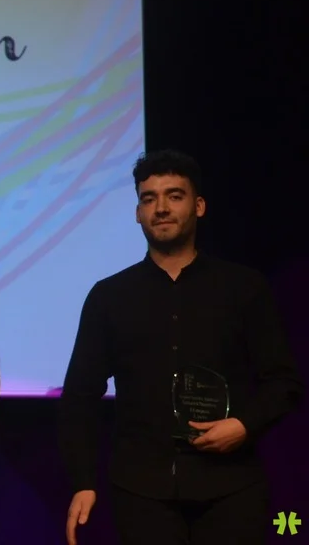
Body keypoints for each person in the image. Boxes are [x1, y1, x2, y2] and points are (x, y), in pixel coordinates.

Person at [59, 149, 302, 545]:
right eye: (149, 198)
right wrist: (83, 482)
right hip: (141, 489)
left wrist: (244, 426)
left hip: (232, 486)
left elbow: (283, 382)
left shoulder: (244, 288)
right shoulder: (109, 297)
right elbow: (80, 397)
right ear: (137, 213)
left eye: (174, 196)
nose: (161, 208)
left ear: (199, 206)